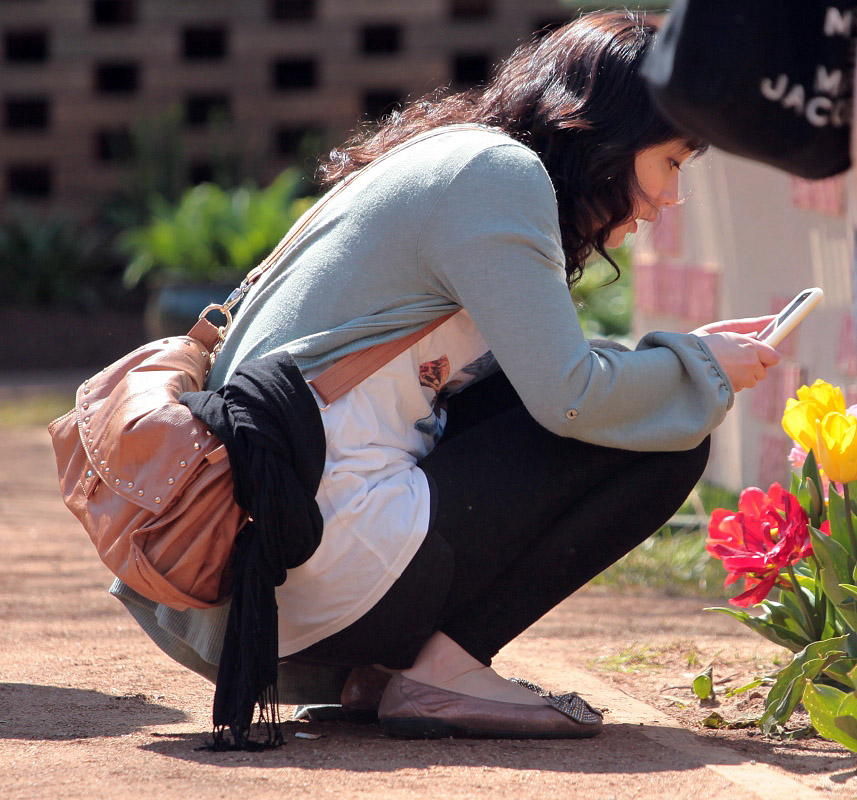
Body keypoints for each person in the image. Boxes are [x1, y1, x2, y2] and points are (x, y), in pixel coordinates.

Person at [113, 10, 780, 741]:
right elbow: (573, 398)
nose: (669, 197)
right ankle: (440, 672)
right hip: (311, 560)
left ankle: (400, 669)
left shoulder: (453, 157)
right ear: (608, 136)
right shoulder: (499, 176)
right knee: (665, 436)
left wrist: (683, 358)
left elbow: (542, 375)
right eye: (671, 162)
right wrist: (698, 371)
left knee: (636, 394)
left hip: (280, 556)